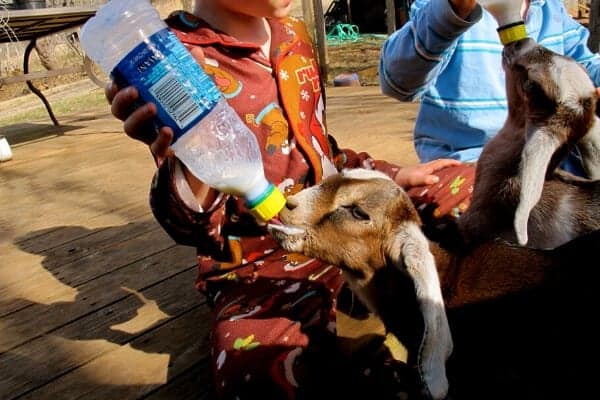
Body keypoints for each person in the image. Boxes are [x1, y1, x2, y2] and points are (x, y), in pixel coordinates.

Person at [106, 0, 459, 398]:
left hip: (348, 226)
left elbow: (322, 153)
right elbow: (193, 226)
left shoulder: (294, 34)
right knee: (257, 371)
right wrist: (188, 154)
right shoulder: (171, 60)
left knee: (462, 184)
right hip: (261, 263)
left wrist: (391, 174)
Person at [379, 0, 600, 175]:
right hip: (472, 165)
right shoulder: (446, 9)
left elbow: (586, 65)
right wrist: (450, 15)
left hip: (553, 159)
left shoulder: (551, 10)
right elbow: (397, 83)